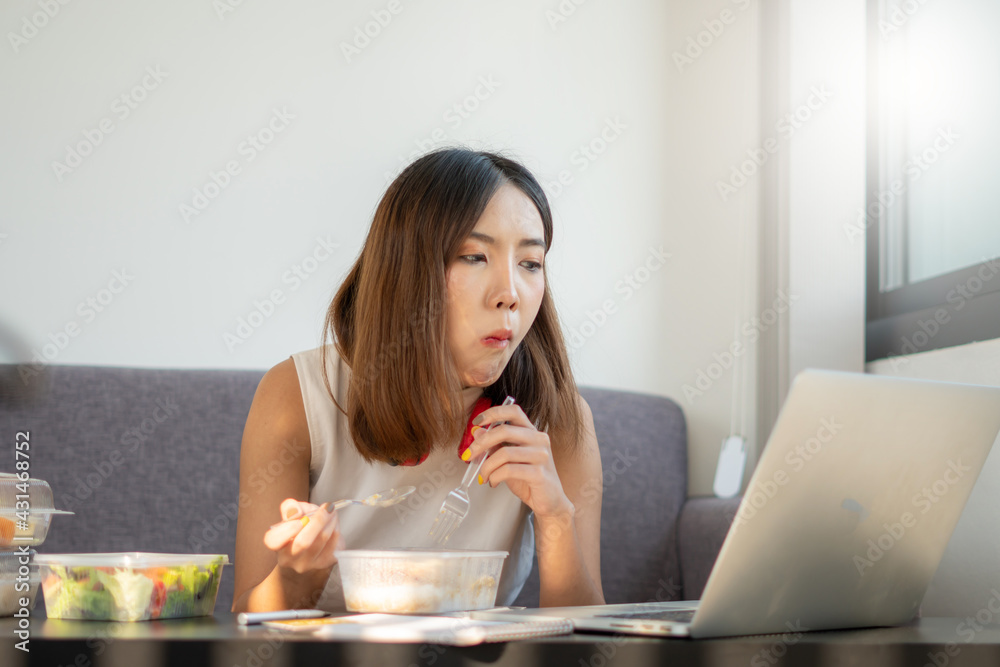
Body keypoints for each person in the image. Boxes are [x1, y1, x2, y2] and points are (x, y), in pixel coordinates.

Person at [232, 148, 605, 613]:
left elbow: (589, 644)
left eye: (530, 263)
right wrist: (296, 572)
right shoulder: (296, 395)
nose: (509, 293)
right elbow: (247, 630)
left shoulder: (559, 418)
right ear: (407, 272)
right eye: (473, 256)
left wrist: (554, 516)